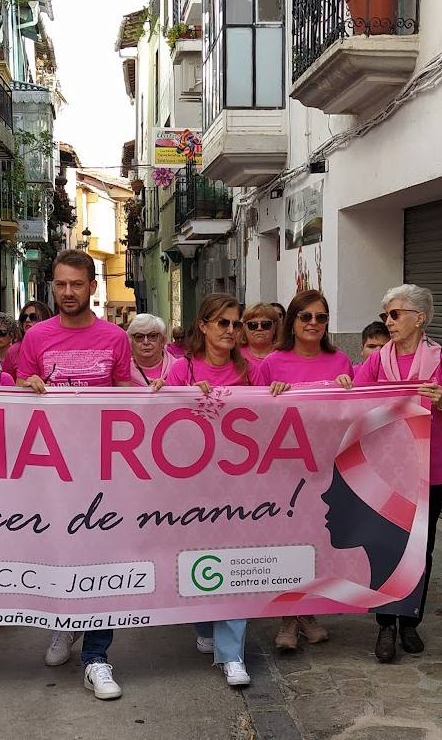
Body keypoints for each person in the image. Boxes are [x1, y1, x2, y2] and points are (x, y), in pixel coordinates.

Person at [18, 249, 132, 701]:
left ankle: (97, 658)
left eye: (77, 284)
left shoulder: (115, 337)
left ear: (92, 287)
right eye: (61, 284)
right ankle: (65, 625)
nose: (68, 293)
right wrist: (25, 385)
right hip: (50, 470)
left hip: (102, 469)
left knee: (100, 560)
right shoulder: (36, 337)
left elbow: (126, 396)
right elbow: (19, 390)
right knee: (59, 553)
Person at [353, 284, 442, 664]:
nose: (388, 321)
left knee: (422, 546)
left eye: (395, 314)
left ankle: (410, 621)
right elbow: (353, 406)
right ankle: (386, 624)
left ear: (420, 318)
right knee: (387, 545)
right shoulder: (377, 361)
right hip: (385, 468)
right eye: (386, 314)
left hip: (429, 469)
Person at [156, 294, 258, 687]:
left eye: (237, 324)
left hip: (239, 487)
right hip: (191, 489)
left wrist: (280, 391)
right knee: (196, 558)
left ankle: (232, 655)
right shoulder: (182, 370)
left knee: (233, 563)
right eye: (223, 323)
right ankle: (204, 623)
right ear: (204, 326)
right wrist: (169, 395)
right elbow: (161, 426)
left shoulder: (252, 370)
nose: (231, 331)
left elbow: (274, 418)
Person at [260, 289, 354, 652]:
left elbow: (351, 414)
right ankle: (287, 619)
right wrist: (271, 395)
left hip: (326, 468)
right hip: (284, 469)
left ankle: (310, 612)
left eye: (321, 317)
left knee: (318, 542)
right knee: (288, 541)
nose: (314, 323)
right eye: (306, 317)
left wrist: (349, 390)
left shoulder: (341, 361)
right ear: (293, 322)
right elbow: (253, 416)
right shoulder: (272, 363)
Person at [127, 313, 177, 385]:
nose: (146, 342)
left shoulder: (179, 368)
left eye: (152, 336)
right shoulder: (123, 372)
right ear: (131, 342)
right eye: (139, 337)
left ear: (163, 340)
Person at [8, 300, 52, 377]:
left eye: (33, 317)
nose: (27, 320)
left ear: (45, 319)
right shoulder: (13, 351)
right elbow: (7, 383)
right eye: (24, 317)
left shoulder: (55, 345)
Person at [240, 302, 280, 366]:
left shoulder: (284, 355)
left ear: (275, 327)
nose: (259, 328)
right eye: (253, 325)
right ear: (244, 327)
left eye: (265, 324)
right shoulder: (236, 356)